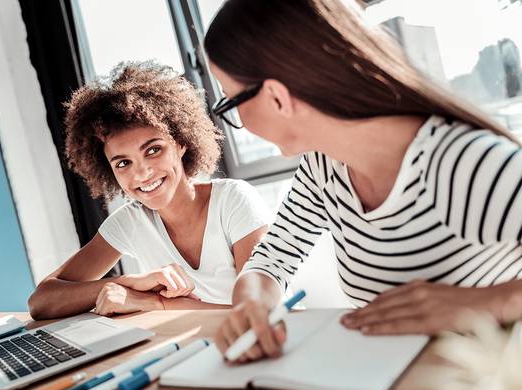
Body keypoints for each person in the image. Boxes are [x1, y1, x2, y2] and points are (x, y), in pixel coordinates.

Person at [204, 0, 522, 363]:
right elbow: (273, 257)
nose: (235, 123)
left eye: (231, 103)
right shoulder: (322, 167)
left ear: (277, 97)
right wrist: (253, 303)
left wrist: (478, 304)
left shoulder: (461, 162)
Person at [27, 61, 269, 320]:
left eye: (153, 150)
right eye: (123, 163)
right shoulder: (130, 221)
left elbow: (257, 313)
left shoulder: (234, 200)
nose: (141, 174)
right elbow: (41, 302)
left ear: (181, 143)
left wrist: (155, 303)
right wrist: (126, 283)